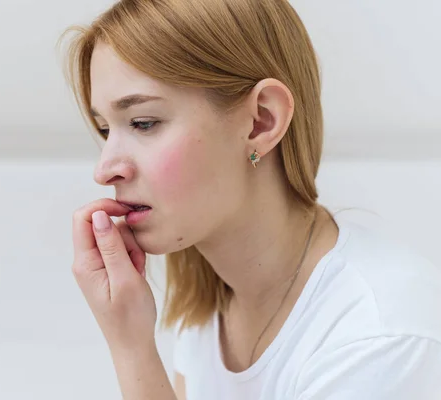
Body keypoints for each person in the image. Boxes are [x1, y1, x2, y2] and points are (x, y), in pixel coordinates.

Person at [59, 0, 441, 399]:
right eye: (105, 129)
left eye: (143, 123)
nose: (104, 170)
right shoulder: (208, 308)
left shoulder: (380, 338)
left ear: (262, 120)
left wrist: (132, 350)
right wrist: (131, 338)